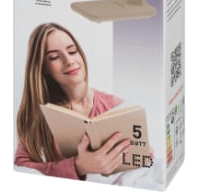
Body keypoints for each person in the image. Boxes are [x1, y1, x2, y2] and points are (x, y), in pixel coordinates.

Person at [15, 23, 130, 180]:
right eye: (54, 57)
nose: (69, 61)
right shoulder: (39, 115)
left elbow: (149, 162)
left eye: (72, 51)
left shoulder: (115, 105)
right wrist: (77, 167)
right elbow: (20, 166)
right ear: (43, 68)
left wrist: (142, 154)